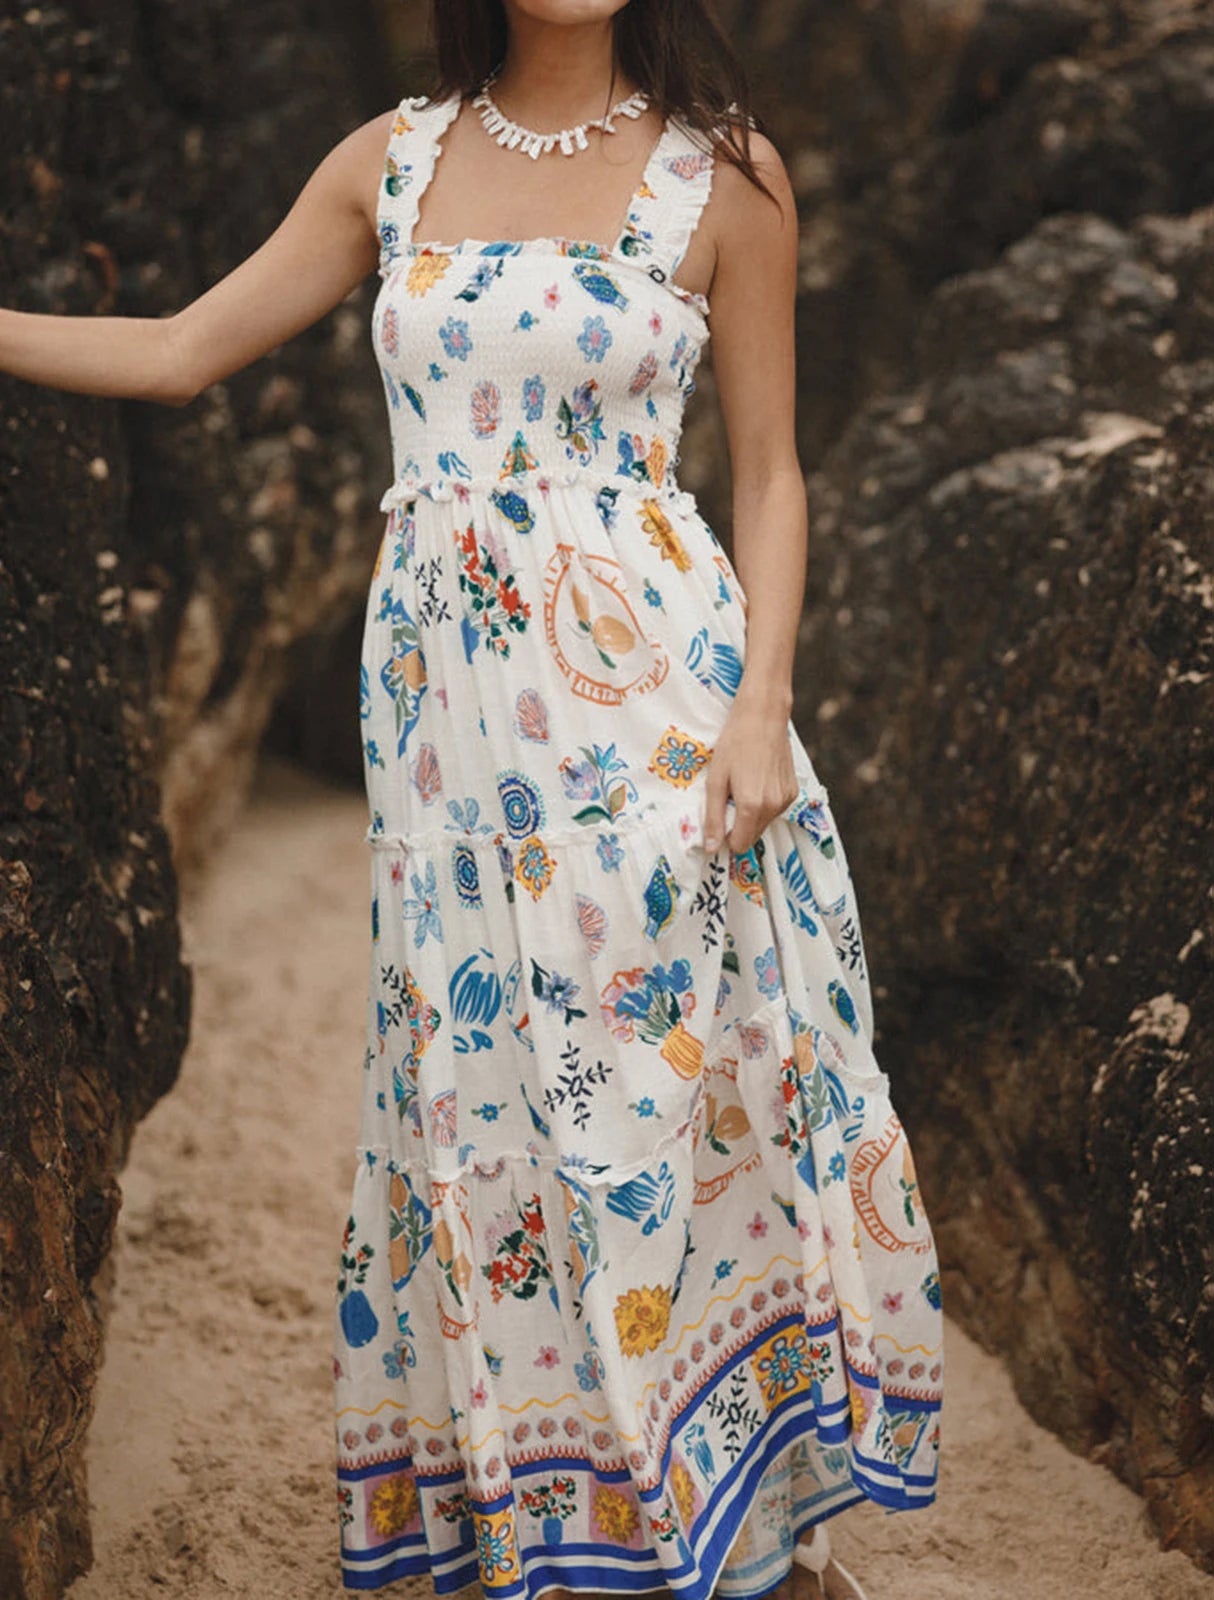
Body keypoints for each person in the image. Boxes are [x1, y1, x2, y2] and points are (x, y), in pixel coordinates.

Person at [0, 2, 945, 1596]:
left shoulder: (729, 178)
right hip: (452, 748)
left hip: (663, 710)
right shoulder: (392, 161)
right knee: (494, 1098)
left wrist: (764, 707)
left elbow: (770, 470)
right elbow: (174, 352)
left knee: (679, 1090)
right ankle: (567, 1521)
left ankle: (760, 1533)